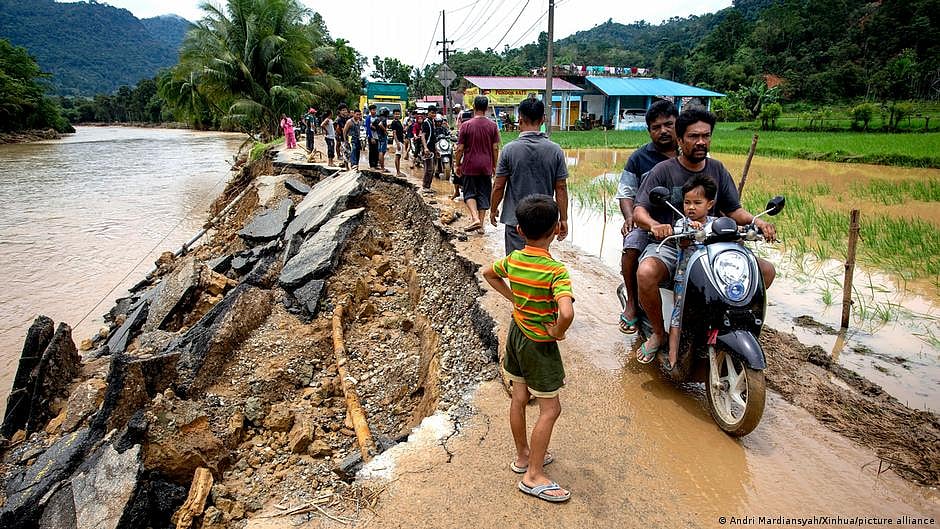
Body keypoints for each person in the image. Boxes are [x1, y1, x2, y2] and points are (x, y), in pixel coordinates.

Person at [633, 108, 777, 363]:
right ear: (680, 140)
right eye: (693, 136)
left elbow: (734, 210)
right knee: (645, 273)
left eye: (706, 136)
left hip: (712, 244)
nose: (701, 142)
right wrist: (655, 225)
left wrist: (758, 221)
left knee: (764, 271)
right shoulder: (663, 171)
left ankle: (725, 323)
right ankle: (657, 333)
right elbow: (640, 210)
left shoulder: (718, 169)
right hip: (672, 242)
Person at [482, 194, 574, 504]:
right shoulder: (556, 272)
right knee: (551, 409)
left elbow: (488, 273)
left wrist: (513, 299)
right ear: (556, 229)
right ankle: (533, 476)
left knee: (519, 398)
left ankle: (523, 456)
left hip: (516, 335)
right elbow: (566, 313)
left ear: (519, 230)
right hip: (538, 344)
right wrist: (558, 332)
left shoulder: (514, 260)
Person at [616, 100, 678, 334]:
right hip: (648, 221)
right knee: (631, 246)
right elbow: (626, 193)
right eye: (656, 127)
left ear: (677, 124)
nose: (663, 131)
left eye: (668, 124)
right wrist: (630, 217)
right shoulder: (639, 158)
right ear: (649, 130)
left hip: (687, 223)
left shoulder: (691, 152)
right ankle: (632, 303)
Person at [490, 97, 569, 255]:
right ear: (543, 119)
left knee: (516, 264)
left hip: (516, 220)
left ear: (519, 120)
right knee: (538, 264)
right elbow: (560, 187)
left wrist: (493, 209)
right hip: (544, 222)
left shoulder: (509, 150)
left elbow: (499, 185)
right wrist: (563, 219)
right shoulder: (555, 150)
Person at [661, 173, 717, 368]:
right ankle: (673, 357)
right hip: (685, 278)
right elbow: (682, 241)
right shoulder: (681, 224)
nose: (691, 207)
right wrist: (691, 230)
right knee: (678, 316)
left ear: (709, 204)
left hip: (710, 280)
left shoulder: (716, 224)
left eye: (697, 202)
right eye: (687, 202)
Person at [454, 95, 500, 233]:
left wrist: (457, 164)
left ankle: (475, 219)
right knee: (484, 194)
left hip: (470, 165)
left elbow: (460, 148)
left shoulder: (466, 126)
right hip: (486, 165)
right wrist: (494, 165)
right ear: (486, 108)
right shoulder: (493, 126)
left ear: (474, 107)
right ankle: (481, 227)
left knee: (469, 193)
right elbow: (495, 148)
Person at [420, 106, 439, 191]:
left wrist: (436, 149)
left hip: (432, 148)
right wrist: (425, 148)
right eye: (432, 113)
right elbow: (423, 136)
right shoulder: (426, 122)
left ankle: (428, 186)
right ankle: (425, 186)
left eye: (434, 113)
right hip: (427, 148)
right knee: (429, 169)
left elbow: (433, 138)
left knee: (432, 169)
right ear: (428, 113)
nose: (433, 114)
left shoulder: (432, 122)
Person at [390, 108, 406, 176]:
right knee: (397, 156)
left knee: (399, 157)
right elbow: (394, 133)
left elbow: (401, 131)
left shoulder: (399, 122)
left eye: (398, 114)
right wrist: (397, 143)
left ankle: (398, 171)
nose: (397, 115)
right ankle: (398, 172)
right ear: (393, 115)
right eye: (396, 114)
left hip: (400, 141)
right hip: (398, 141)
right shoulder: (394, 122)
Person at [372, 108, 389, 172]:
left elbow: (372, 126)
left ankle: (380, 164)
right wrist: (385, 130)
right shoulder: (384, 118)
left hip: (378, 136)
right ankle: (382, 168)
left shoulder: (377, 118)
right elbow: (380, 124)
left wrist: (377, 129)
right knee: (382, 151)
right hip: (382, 136)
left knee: (380, 151)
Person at [365, 104, 379, 169]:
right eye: (373, 110)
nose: (374, 111)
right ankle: (371, 165)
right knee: (371, 151)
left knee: (376, 151)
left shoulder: (377, 118)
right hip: (371, 137)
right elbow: (368, 128)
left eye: (375, 110)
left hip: (377, 137)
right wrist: (371, 137)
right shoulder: (368, 118)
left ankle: (376, 164)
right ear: (370, 110)